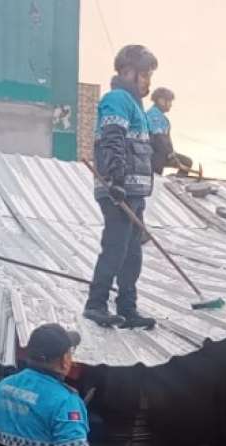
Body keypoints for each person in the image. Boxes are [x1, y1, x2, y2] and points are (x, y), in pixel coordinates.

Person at [84, 44, 160, 331]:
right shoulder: (117, 98)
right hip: (119, 190)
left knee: (132, 253)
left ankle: (127, 308)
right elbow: (112, 138)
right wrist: (116, 180)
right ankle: (96, 304)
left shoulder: (136, 107)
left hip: (135, 192)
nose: (148, 81)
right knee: (115, 248)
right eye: (145, 74)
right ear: (129, 72)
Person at [146, 88, 193, 176]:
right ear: (161, 100)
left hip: (159, 154)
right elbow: (159, 140)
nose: (171, 105)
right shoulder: (155, 116)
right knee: (187, 162)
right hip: (155, 155)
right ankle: (172, 181)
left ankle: (171, 179)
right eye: (170, 101)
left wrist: (171, 154)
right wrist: (171, 156)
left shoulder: (157, 116)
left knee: (187, 162)